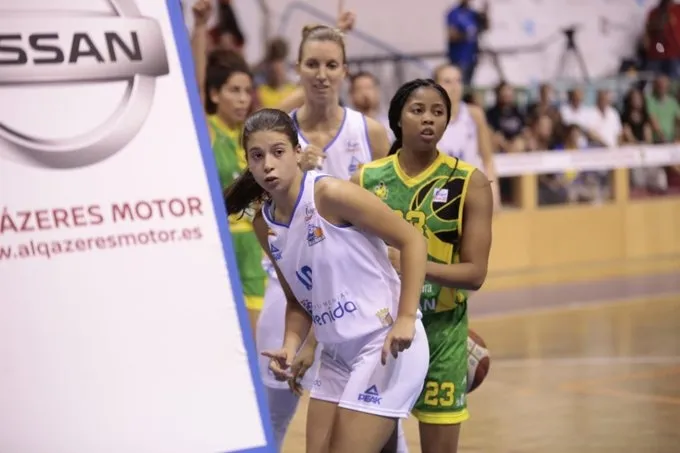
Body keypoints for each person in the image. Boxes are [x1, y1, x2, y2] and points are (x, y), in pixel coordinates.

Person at [224, 108, 430, 453]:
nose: (268, 165)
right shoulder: (264, 224)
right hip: (336, 353)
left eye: (277, 152)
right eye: (257, 156)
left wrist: (407, 317)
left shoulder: (330, 194)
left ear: (297, 153)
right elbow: (297, 301)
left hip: (383, 341)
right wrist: (290, 346)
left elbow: (413, 241)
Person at [253, 23, 393, 451]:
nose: (321, 74)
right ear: (297, 68)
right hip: (293, 284)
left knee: (378, 416)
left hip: (359, 287)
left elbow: (392, 219)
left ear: (345, 71)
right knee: (276, 402)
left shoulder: (369, 133)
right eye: (312, 64)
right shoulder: (277, 133)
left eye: (332, 65)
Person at [353, 79, 493, 453]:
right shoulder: (366, 179)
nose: (428, 119)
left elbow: (475, 274)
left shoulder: (470, 182)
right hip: (379, 329)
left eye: (438, 112)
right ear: (398, 118)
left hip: (443, 332)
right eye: (418, 110)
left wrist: (413, 264)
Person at [191, 0, 267, 335]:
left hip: (257, 250)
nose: (243, 98)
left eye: (247, 91)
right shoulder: (208, 130)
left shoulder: (253, 135)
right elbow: (193, 89)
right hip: (222, 249)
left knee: (260, 351)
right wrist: (199, 27)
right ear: (214, 94)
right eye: (234, 90)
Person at [432, 63, 500, 210]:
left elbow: (487, 158)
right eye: (447, 81)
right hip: (441, 193)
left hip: (470, 190)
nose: (454, 86)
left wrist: (494, 192)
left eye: (458, 80)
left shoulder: (474, 115)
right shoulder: (428, 119)